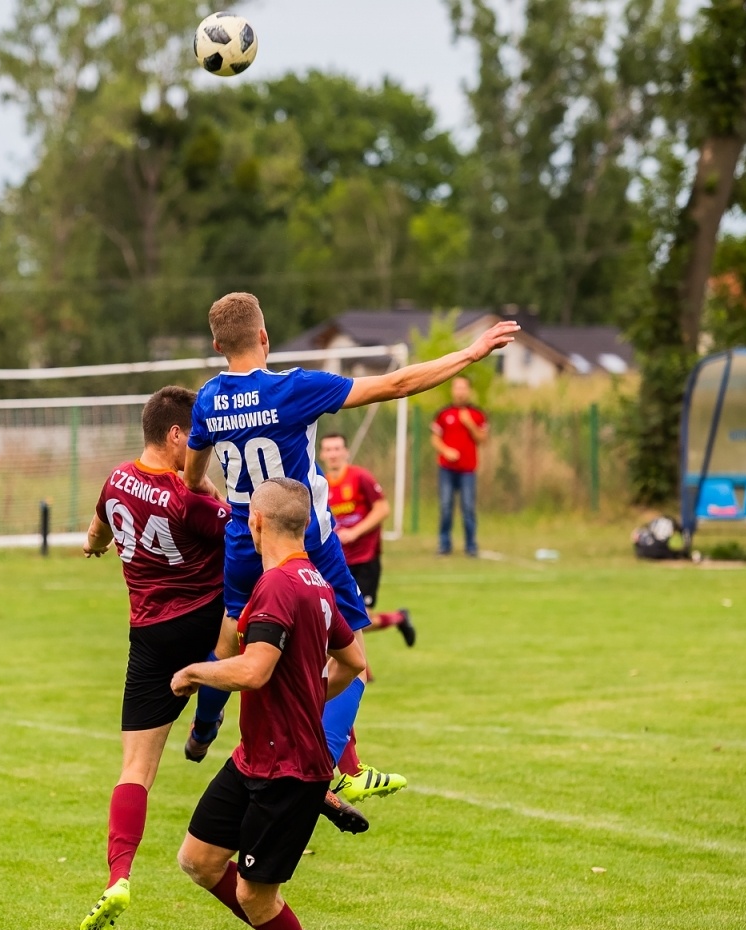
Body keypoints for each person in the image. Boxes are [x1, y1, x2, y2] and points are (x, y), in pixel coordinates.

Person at [182, 292, 519, 818]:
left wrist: (216, 496)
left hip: (246, 541)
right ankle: (319, 761)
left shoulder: (205, 401)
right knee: (353, 661)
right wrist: (469, 354)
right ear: (265, 337)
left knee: (229, 642)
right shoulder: (294, 388)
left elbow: (194, 475)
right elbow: (398, 383)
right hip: (307, 543)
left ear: (217, 345)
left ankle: (202, 734)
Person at [172, 478, 367, 930]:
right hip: (256, 756)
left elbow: (253, 669)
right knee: (199, 860)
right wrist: (306, 694)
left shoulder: (278, 585)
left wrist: (194, 671)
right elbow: (353, 660)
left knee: (255, 895)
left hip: (288, 768)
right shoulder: (316, 582)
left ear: (255, 523)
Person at [76, 387, 232, 930]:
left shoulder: (117, 478)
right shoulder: (188, 501)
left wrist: (96, 546)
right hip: (202, 621)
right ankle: (207, 726)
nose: (202, 447)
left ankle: (119, 876)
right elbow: (246, 534)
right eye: (199, 437)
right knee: (236, 648)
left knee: (135, 769)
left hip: (148, 635)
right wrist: (212, 489)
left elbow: (96, 532)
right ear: (175, 436)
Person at [319, 433, 415, 646]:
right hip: (337, 561)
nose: (333, 454)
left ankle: (397, 618)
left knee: (360, 620)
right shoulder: (321, 484)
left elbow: (382, 509)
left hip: (365, 559)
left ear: (346, 452)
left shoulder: (360, 477)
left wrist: (355, 532)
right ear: (322, 454)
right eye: (328, 449)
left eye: (337, 449)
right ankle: (359, 670)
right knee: (340, 618)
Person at [431, 377, 488, 557]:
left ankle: (471, 545)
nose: (460, 391)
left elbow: (482, 439)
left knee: (468, 507)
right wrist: (446, 451)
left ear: (469, 391)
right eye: (457, 388)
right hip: (446, 469)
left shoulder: (478, 414)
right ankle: (444, 544)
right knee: (446, 505)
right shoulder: (443, 413)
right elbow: (434, 438)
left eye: (464, 388)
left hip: (468, 470)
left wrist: (469, 423)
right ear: (452, 390)